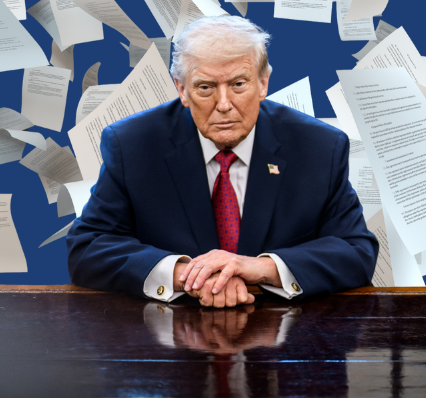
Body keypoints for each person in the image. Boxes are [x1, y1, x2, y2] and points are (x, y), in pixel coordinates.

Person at [67, 16, 377, 306]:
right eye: (206, 88)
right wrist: (187, 275)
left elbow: (356, 252)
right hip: (169, 333)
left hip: (285, 334)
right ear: (182, 90)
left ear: (263, 83)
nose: (224, 104)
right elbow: (88, 248)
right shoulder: (132, 144)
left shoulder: (319, 147)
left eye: (239, 84)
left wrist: (261, 268)